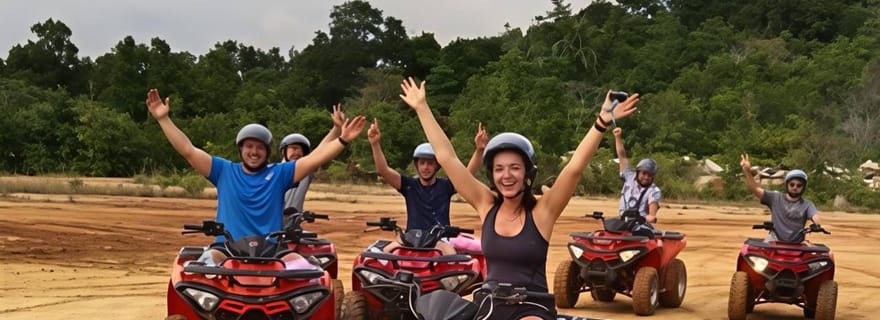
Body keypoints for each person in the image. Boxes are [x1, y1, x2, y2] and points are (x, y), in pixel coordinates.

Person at [399, 77, 639, 320]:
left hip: (530, 308)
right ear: (492, 174)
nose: (507, 176)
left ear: (527, 173)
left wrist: (601, 122)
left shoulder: (543, 211)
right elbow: (447, 158)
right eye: (499, 169)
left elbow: (574, 168)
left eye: (514, 167)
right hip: (490, 305)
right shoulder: (485, 204)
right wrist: (422, 108)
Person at [145, 88, 366, 250]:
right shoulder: (223, 171)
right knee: (197, 277)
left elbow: (314, 159)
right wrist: (164, 119)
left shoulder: (280, 174)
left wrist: (342, 140)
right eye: (249, 146)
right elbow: (188, 150)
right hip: (226, 248)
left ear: (267, 151)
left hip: (272, 249)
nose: (254, 152)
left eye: (259, 147)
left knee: (309, 276)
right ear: (241, 149)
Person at [366, 118, 488, 255]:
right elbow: (383, 170)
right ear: (417, 165)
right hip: (411, 239)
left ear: (437, 166)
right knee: (381, 256)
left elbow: (467, 174)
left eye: (430, 163)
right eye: (422, 163)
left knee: (451, 256)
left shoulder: (446, 186)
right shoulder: (408, 185)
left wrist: (479, 150)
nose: (425, 167)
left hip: (440, 240)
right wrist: (375, 144)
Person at [279, 104, 346, 227]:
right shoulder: (275, 171)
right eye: (293, 148)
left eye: (301, 150)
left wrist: (336, 130)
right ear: (284, 151)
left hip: (293, 225)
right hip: (272, 225)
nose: (297, 152)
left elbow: (321, 152)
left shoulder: (304, 172)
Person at [740, 153, 827, 242]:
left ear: (803, 187)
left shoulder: (807, 204)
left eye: (799, 185)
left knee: (824, 254)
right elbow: (756, 189)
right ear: (787, 185)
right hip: (774, 241)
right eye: (792, 184)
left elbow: (815, 216)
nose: (795, 187)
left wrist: (817, 225)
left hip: (797, 245)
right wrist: (747, 171)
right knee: (750, 252)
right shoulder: (775, 198)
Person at [612, 127, 661, 229]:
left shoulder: (654, 191)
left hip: (641, 225)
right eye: (644, 173)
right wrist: (618, 137)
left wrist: (648, 218)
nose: (646, 177)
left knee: (647, 235)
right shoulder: (629, 177)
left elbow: (652, 214)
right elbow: (622, 155)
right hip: (623, 222)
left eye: (650, 175)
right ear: (638, 172)